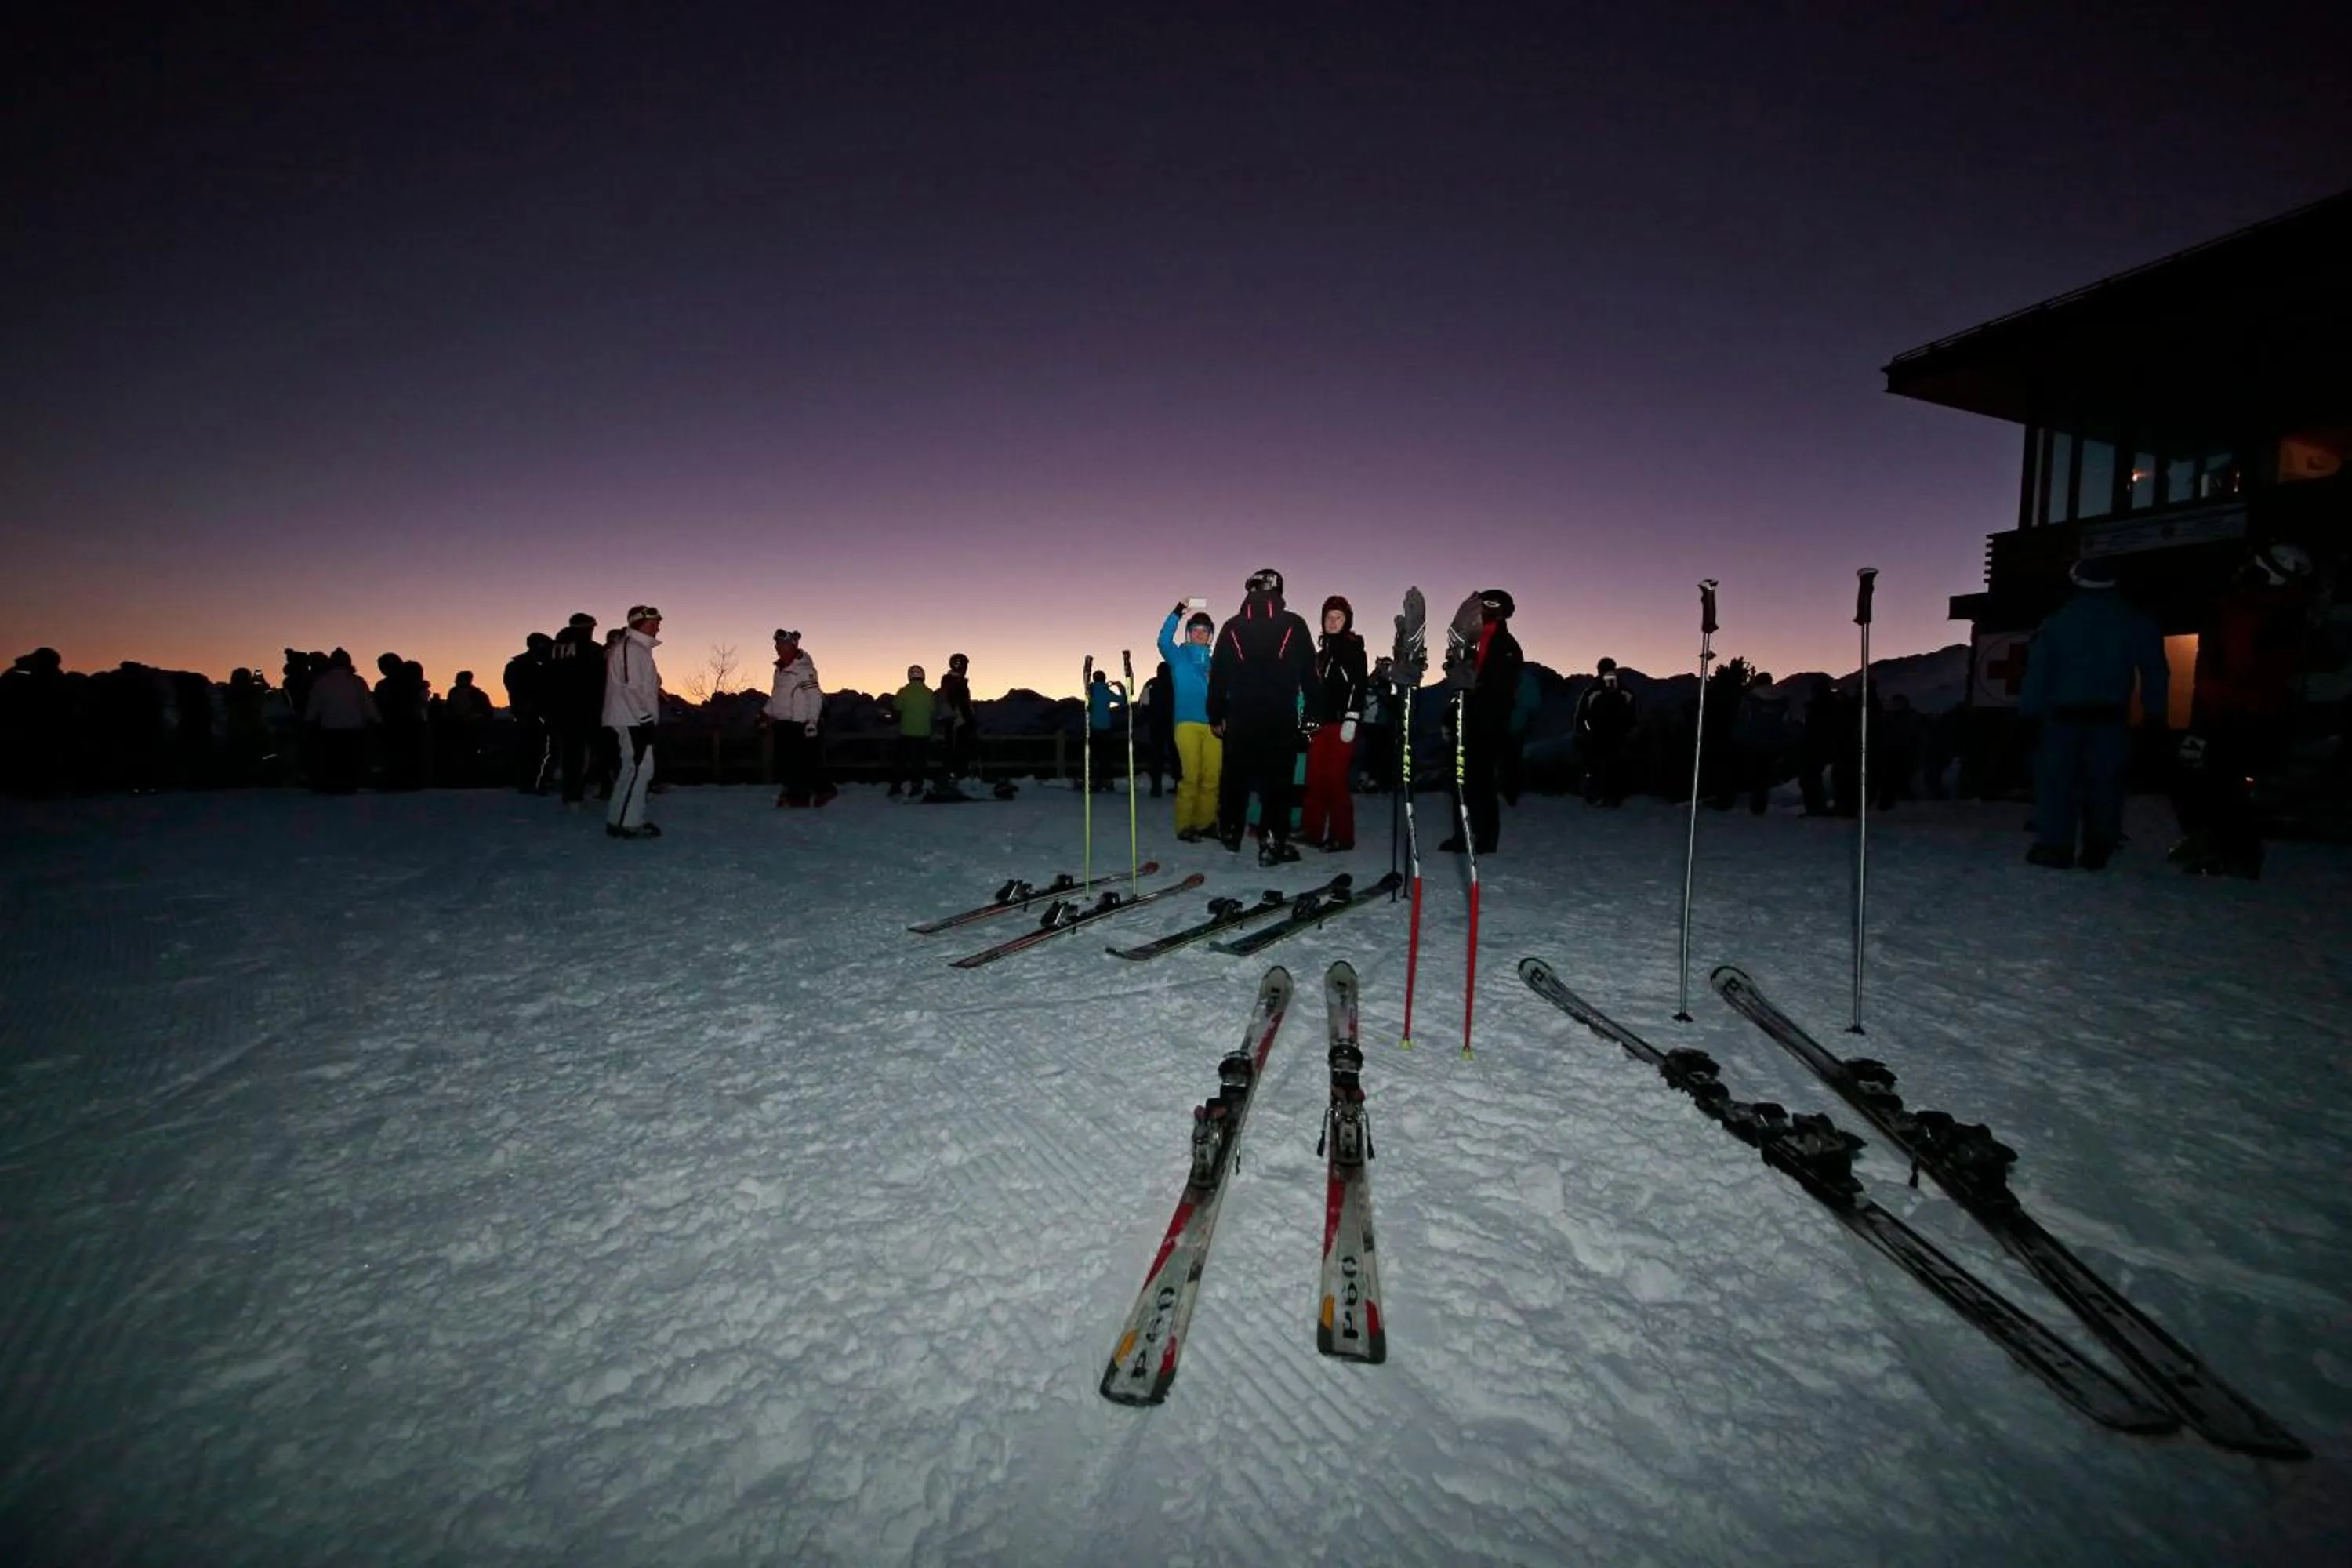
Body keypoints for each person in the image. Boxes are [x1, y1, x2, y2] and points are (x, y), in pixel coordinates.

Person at [2169, 542, 2318, 879]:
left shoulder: (2251, 608)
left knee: (2219, 782)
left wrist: (2205, 717)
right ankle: (2219, 845)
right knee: (2218, 781)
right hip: (2257, 711)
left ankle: (2230, 853)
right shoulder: (2287, 611)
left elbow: (2232, 667)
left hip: (2233, 712)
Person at [2017, 557, 2168, 869]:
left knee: (2056, 781)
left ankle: (2056, 847)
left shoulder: (2057, 622)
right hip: (2111, 717)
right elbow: (2155, 671)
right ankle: (2100, 846)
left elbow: (2038, 672)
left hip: (2062, 718)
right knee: (2107, 781)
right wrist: (2155, 713)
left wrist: (2029, 715)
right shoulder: (2135, 620)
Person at [1207, 569, 1319, 864]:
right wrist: (1312, 715)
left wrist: (1216, 714)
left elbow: (1218, 674)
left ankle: (1230, 831)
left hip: (1241, 715)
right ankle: (1271, 842)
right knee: (1277, 781)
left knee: (1236, 775)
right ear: (1279, 591)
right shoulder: (1294, 623)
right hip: (1280, 714)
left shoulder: (1232, 626)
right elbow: (1310, 673)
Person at [1439, 589, 1524, 853]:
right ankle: (1463, 833)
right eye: (1482, 604)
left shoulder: (1507, 645)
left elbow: (1504, 687)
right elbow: (1458, 680)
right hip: (1465, 715)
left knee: (1481, 778)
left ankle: (1486, 836)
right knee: (1460, 776)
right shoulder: (1471, 640)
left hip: (1488, 720)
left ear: (1502, 611)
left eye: (1491, 604)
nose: (1485, 609)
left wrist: (1479, 688)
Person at [1299, 594, 1367, 851]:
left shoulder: (1353, 649)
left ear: (1347, 621)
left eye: (1339, 617)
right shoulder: (1321, 654)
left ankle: (1342, 836)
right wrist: (1308, 719)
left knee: (1335, 780)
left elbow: (1358, 684)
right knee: (1314, 779)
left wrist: (1352, 716)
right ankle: (1312, 831)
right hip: (1320, 724)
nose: (1333, 621)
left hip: (1341, 724)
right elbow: (1313, 691)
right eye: (1329, 617)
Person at [1157, 602, 1221, 840]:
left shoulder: (1216, 664)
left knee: (1212, 777)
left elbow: (1225, 694)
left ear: (1210, 636)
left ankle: (1205, 823)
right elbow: (1163, 641)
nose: (1200, 634)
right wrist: (1177, 612)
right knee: (1191, 776)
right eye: (1195, 630)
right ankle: (1185, 825)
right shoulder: (1179, 657)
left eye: (1205, 631)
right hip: (1186, 724)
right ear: (1188, 633)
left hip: (1214, 725)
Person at [604, 605, 665, 838]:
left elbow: (638, 685)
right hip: (633, 719)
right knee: (639, 769)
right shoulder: (632, 648)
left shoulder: (636, 649)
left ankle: (620, 818)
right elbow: (629, 687)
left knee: (634, 768)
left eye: (658, 623)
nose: (657, 627)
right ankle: (628, 822)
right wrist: (644, 718)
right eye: (653, 623)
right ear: (638, 623)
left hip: (633, 718)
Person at [765, 627, 833, 807]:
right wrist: (765, 713)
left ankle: (807, 794)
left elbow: (814, 697)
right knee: (787, 762)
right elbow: (777, 697)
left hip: (800, 723)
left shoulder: (804, 670)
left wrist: (812, 721)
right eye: (777, 645)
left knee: (803, 762)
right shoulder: (779, 670)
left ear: (792, 646)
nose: (778, 648)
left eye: (782, 645)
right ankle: (797, 792)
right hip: (783, 724)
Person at [546, 612, 606, 808]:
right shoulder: (591, 649)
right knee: (598, 751)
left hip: (561, 709)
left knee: (571, 754)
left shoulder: (554, 648)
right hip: (588, 707)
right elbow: (601, 677)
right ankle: (597, 791)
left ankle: (571, 796)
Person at [302, 648, 379, 793]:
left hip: (329, 727)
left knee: (333, 760)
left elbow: (314, 704)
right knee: (350, 760)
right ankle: (349, 786)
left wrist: (308, 721)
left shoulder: (322, 682)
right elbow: (367, 703)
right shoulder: (357, 681)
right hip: (354, 728)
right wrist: (376, 720)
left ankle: (333, 785)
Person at [1574, 659, 1635, 806]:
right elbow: (1633, 713)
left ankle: (1598, 796)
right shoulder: (1625, 691)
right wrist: (1629, 731)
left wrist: (1584, 731)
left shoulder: (1593, 690)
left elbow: (1582, 713)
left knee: (1595, 766)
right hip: (1619, 735)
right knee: (1616, 765)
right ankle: (1615, 796)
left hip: (1597, 735)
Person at [503, 633, 555, 792]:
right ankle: (531, 782)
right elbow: (516, 689)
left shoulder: (523, 664)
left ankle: (534, 781)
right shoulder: (520, 666)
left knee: (536, 748)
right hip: (530, 712)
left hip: (538, 712)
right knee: (532, 748)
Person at [888, 665, 935, 797]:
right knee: (919, 763)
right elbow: (932, 710)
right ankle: (916, 787)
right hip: (924, 733)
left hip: (907, 732)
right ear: (923, 676)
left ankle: (896, 787)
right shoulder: (928, 693)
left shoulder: (903, 692)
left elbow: (897, 708)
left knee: (901, 762)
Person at [937, 652, 979, 792]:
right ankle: (953, 781)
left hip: (953, 722)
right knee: (957, 752)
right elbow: (961, 704)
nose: (966, 668)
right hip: (958, 722)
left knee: (953, 752)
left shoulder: (950, 681)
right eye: (965, 665)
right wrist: (969, 720)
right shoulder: (956, 683)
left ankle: (950, 781)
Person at [1087, 668, 1125, 791]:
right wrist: (1120, 687)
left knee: (1093, 756)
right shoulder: (1106, 692)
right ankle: (1106, 782)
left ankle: (1092, 781)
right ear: (1104, 679)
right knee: (1106, 757)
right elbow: (1123, 701)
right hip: (1106, 728)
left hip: (1093, 727)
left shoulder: (1091, 690)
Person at [1144, 659, 1178, 799]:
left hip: (1156, 724)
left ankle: (1156, 787)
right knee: (1176, 755)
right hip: (1173, 723)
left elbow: (1144, 703)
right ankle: (1178, 784)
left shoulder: (1151, 683)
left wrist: (1147, 717)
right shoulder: (1176, 683)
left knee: (1156, 755)